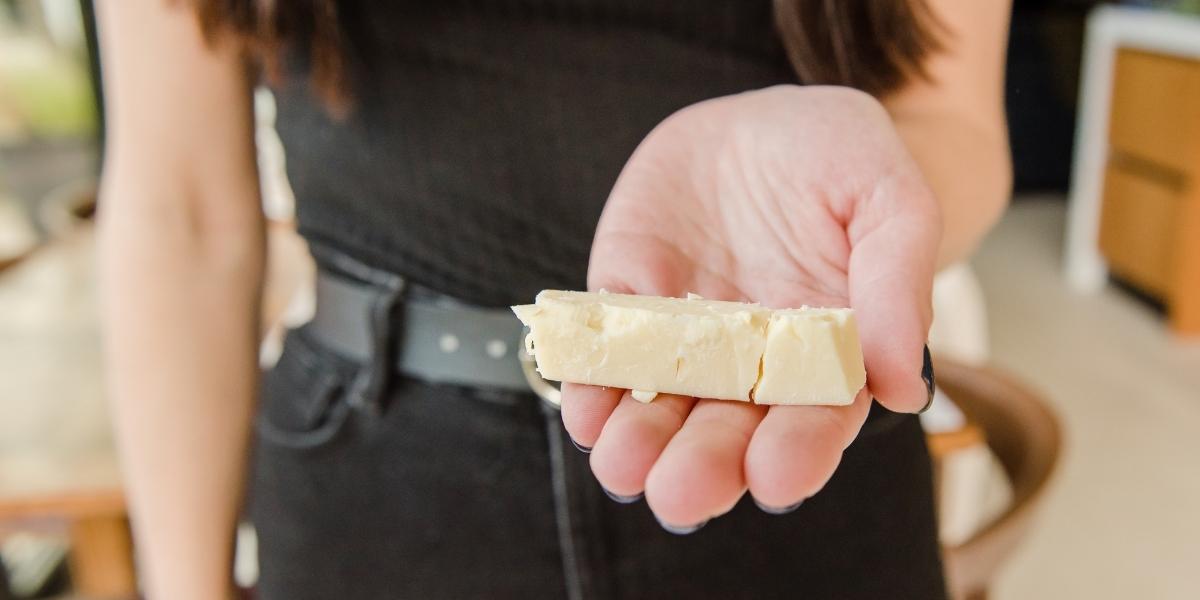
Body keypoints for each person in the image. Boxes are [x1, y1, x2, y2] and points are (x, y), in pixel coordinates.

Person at [95, 1, 1012, 598]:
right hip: (372, 482)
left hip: (786, 462)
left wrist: (869, 178)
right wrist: (182, 585)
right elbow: (179, 214)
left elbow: (960, 123)